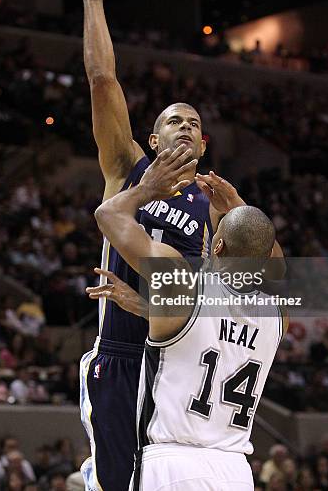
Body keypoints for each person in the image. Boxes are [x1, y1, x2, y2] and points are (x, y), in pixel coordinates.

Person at [61, 0, 285, 491]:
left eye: (195, 122)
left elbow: (265, 277)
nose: (185, 125)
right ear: (155, 140)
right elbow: (102, 80)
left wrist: (235, 210)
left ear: (204, 145)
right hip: (125, 349)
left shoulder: (215, 211)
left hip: (178, 363)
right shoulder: (128, 168)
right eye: (172, 120)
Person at [94, 146, 287, 490]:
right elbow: (274, 264)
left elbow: (108, 214)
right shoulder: (277, 315)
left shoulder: (183, 283)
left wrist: (146, 188)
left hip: (173, 462)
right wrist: (240, 207)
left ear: (216, 246)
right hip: (236, 470)